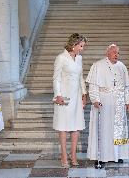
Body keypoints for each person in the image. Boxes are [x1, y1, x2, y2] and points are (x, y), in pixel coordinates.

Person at [86, 44, 129, 168]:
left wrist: (128, 101)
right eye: (114, 52)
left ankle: (118, 155)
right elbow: (93, 86)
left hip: (119, 102)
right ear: (107, 53)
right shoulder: (97, 65)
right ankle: (102, 156)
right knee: (104, 129)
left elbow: (127, 87)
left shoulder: (122, 66)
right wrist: (95, 99)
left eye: (118, 53)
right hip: (104, 101)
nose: (116, 54)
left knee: (118, 129)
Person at [53, 33, 88, 168]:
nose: (82, 49)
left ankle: (73, 155)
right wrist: (58, 95)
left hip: (77, 96)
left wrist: (84, 94)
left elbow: (80, 77)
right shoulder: (61, 58)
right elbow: (56, 78)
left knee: (76, 126)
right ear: (73, 45)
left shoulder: (79, 58)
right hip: (64, 97)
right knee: (63, 127)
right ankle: (63, 155)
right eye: (81, 46)